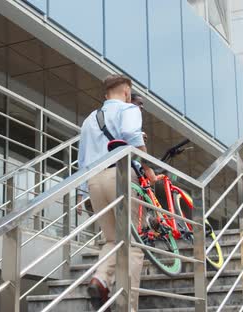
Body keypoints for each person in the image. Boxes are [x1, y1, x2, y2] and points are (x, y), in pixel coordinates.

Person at [78, 75, 159, 311]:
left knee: (113, 239)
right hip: (120, 176)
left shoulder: (89, 120)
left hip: (94, 181)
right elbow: (132, 134)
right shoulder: (129, 109)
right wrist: (148, 167)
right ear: (126, 92)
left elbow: (82, 160)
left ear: (105, 95)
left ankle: (100, 280)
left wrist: (83, 194)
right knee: (133, 243)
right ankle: (127, 306)